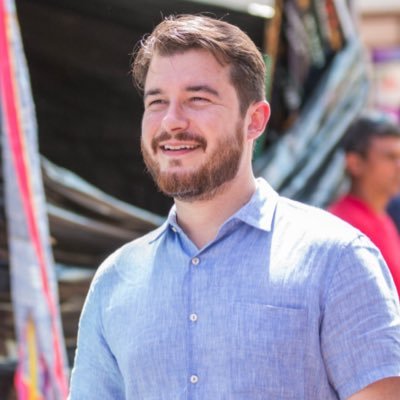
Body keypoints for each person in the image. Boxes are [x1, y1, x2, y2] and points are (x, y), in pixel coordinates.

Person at [68, 15, 400, 399]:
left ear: (254, 120)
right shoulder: (116, 280)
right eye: (157, 101)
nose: (171, 121)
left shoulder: (335, 259)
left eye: (198, 99)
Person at [329, 115, 400, 296]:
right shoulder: (340, 226)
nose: (398, 166)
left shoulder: (384, 219)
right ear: (355, 163)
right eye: (390, 157)